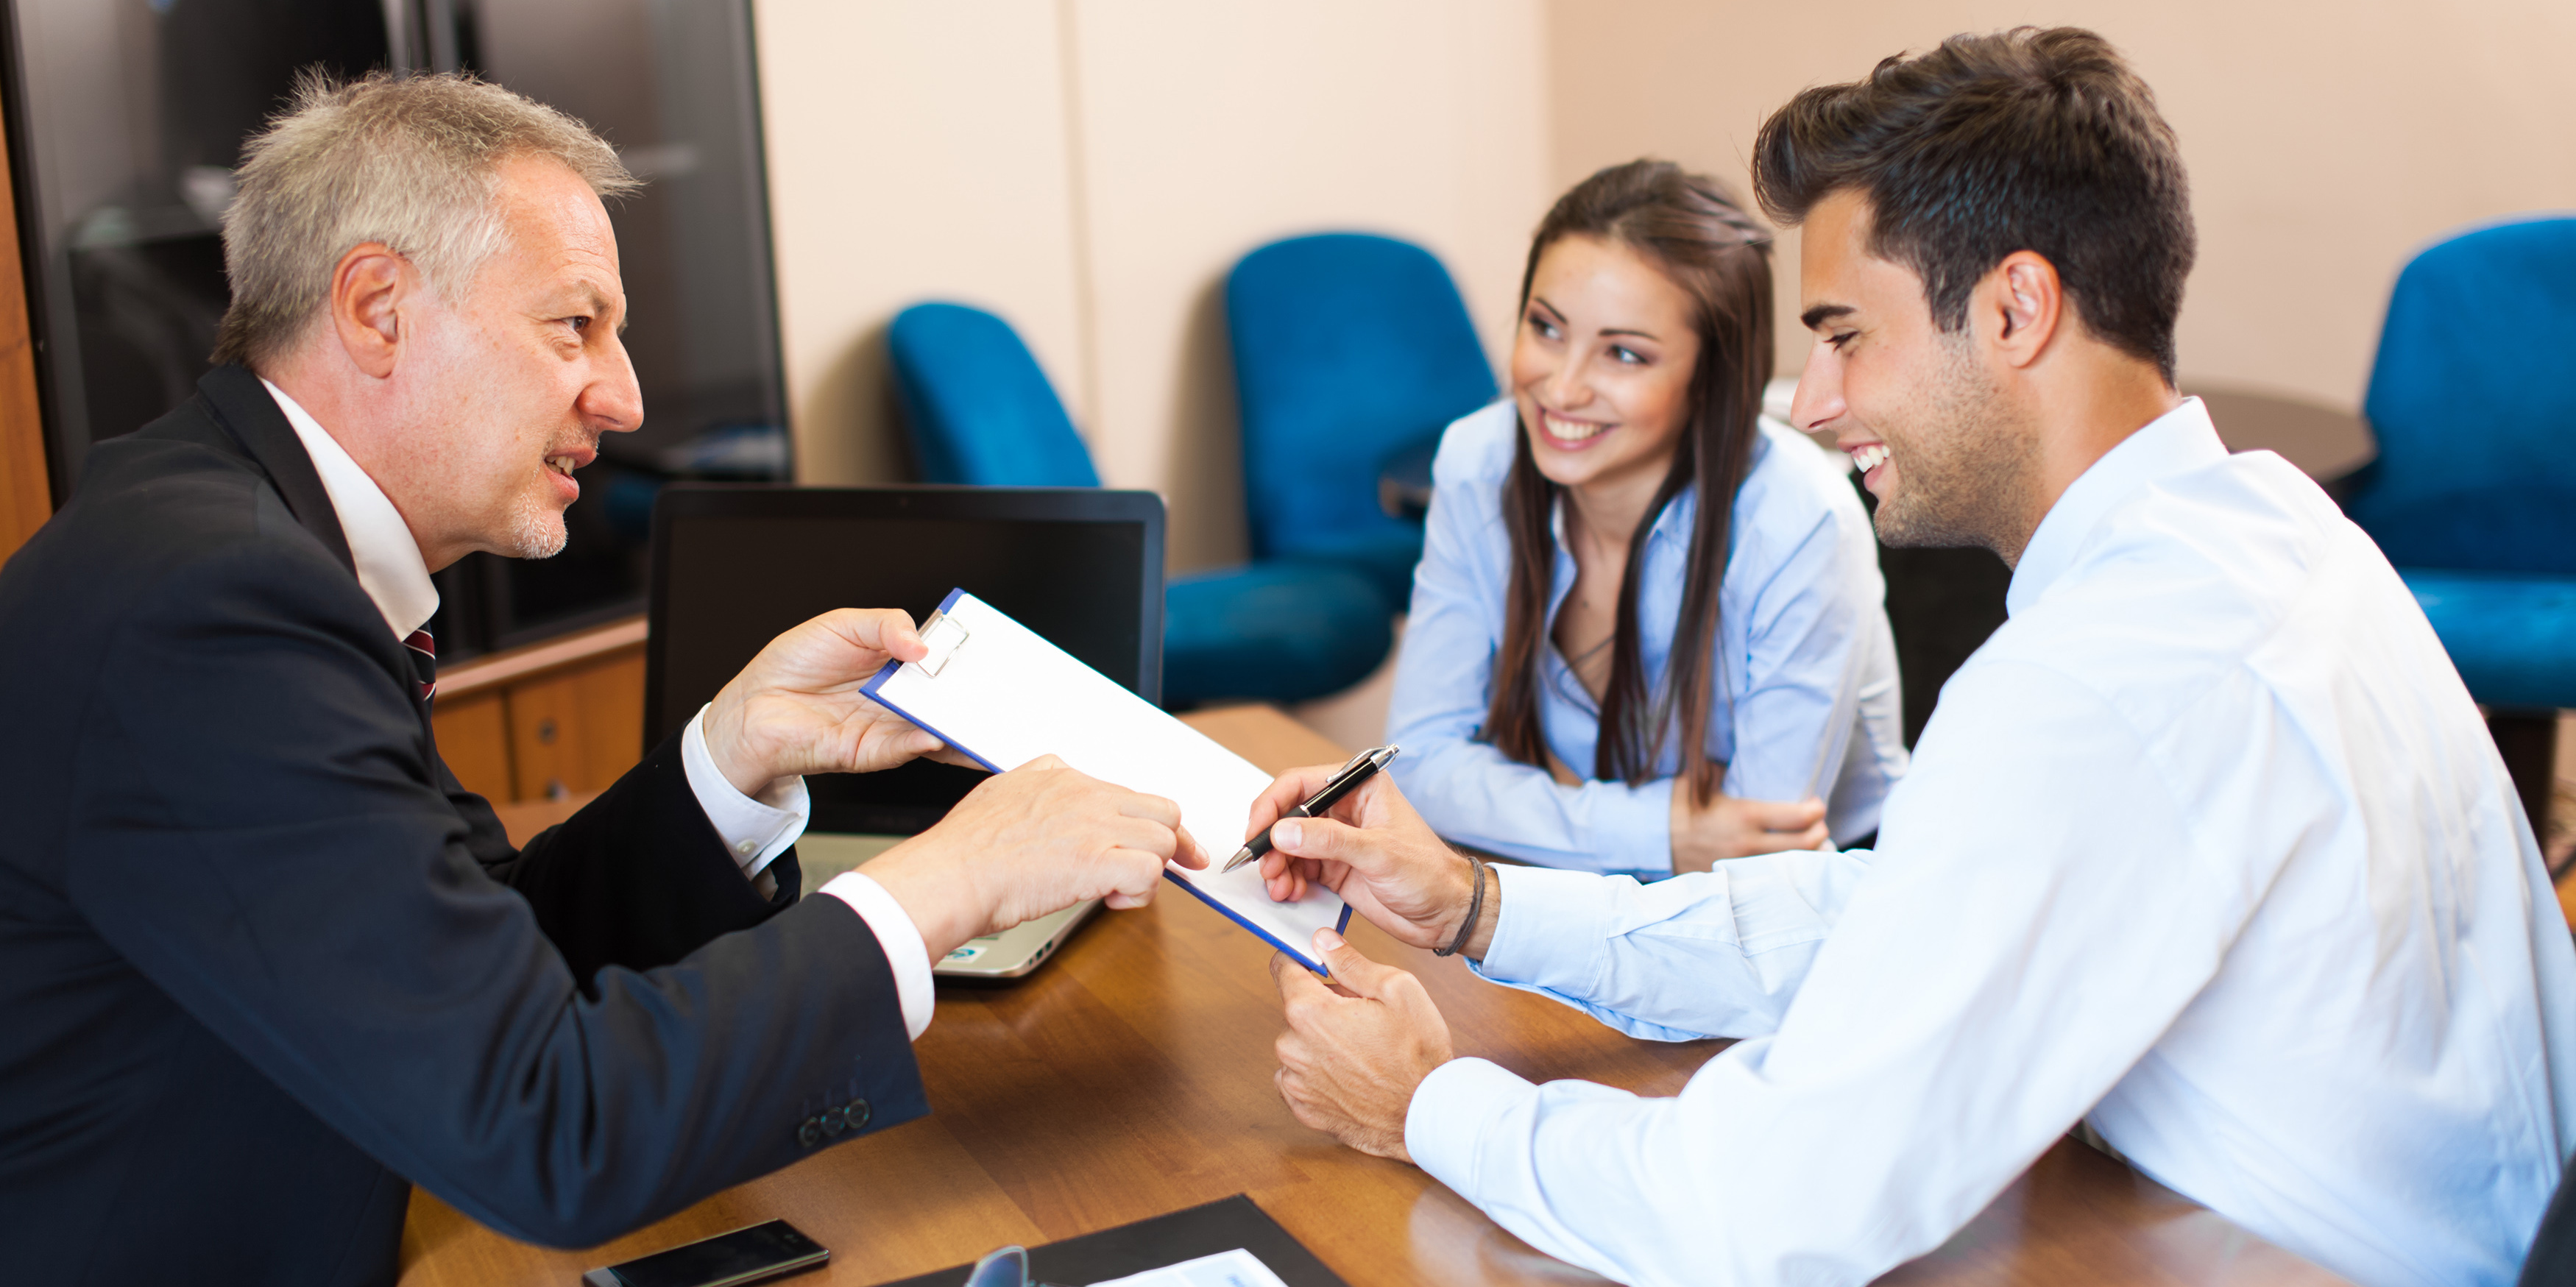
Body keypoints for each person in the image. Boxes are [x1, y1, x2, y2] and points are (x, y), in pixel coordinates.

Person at [1250, 28, 2576, 1287]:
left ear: (2015, 309)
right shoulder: (2272, 529)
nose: (1819, 403)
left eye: (1844, 336)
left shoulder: (2093, 682)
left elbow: (1768, 1211)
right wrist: (1480, 905)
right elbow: (1900, 917)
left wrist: (1428, 1103)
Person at [0, 73, 1204, 1286]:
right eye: (574, 326)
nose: (623, 397)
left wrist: (729, 758)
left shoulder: (241, 539)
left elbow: (489, 944)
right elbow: (546, 1121)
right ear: (376, 310)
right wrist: (951, 876)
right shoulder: (214, 609)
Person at [1387, 160, 1906, 876]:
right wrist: (1659, 830)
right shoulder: (1480, 463)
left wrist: (1530, 811)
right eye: (1545, 328)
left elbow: (1760, 859)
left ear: (1710, 378)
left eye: (1624, 353)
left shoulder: (1798, 523)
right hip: (1594, 882)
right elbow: (1417, 763)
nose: (1561, 387)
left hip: (1829, 893)